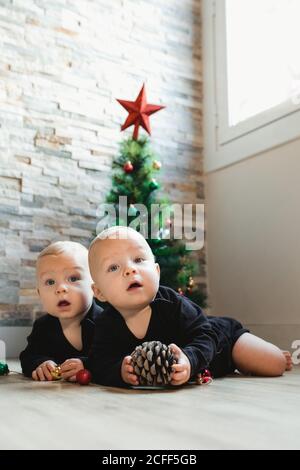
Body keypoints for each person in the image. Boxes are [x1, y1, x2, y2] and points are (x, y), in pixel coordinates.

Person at [87, 226, 292, 388]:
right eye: (114, 267)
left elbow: (205, 335)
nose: (130, 269)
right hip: (205, 362)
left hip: (223, 344)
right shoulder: (106, 324)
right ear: (99, 293)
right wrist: (119, 373)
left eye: (139, 260)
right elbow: (100, 362)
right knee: (268, 362)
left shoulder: (171, 302)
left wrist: (190, 360)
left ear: (156, 272)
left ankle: (269, 351)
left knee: (274, 364)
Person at [20, 241, 103, 381]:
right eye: (50, 282)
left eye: (73, 278)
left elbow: (113, 357)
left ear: (94, 287)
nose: (60, 288)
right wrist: (40, 364)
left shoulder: (106, 321)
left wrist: (88, 365)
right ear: (39, 293)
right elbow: (28, 356)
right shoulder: (43, 326)